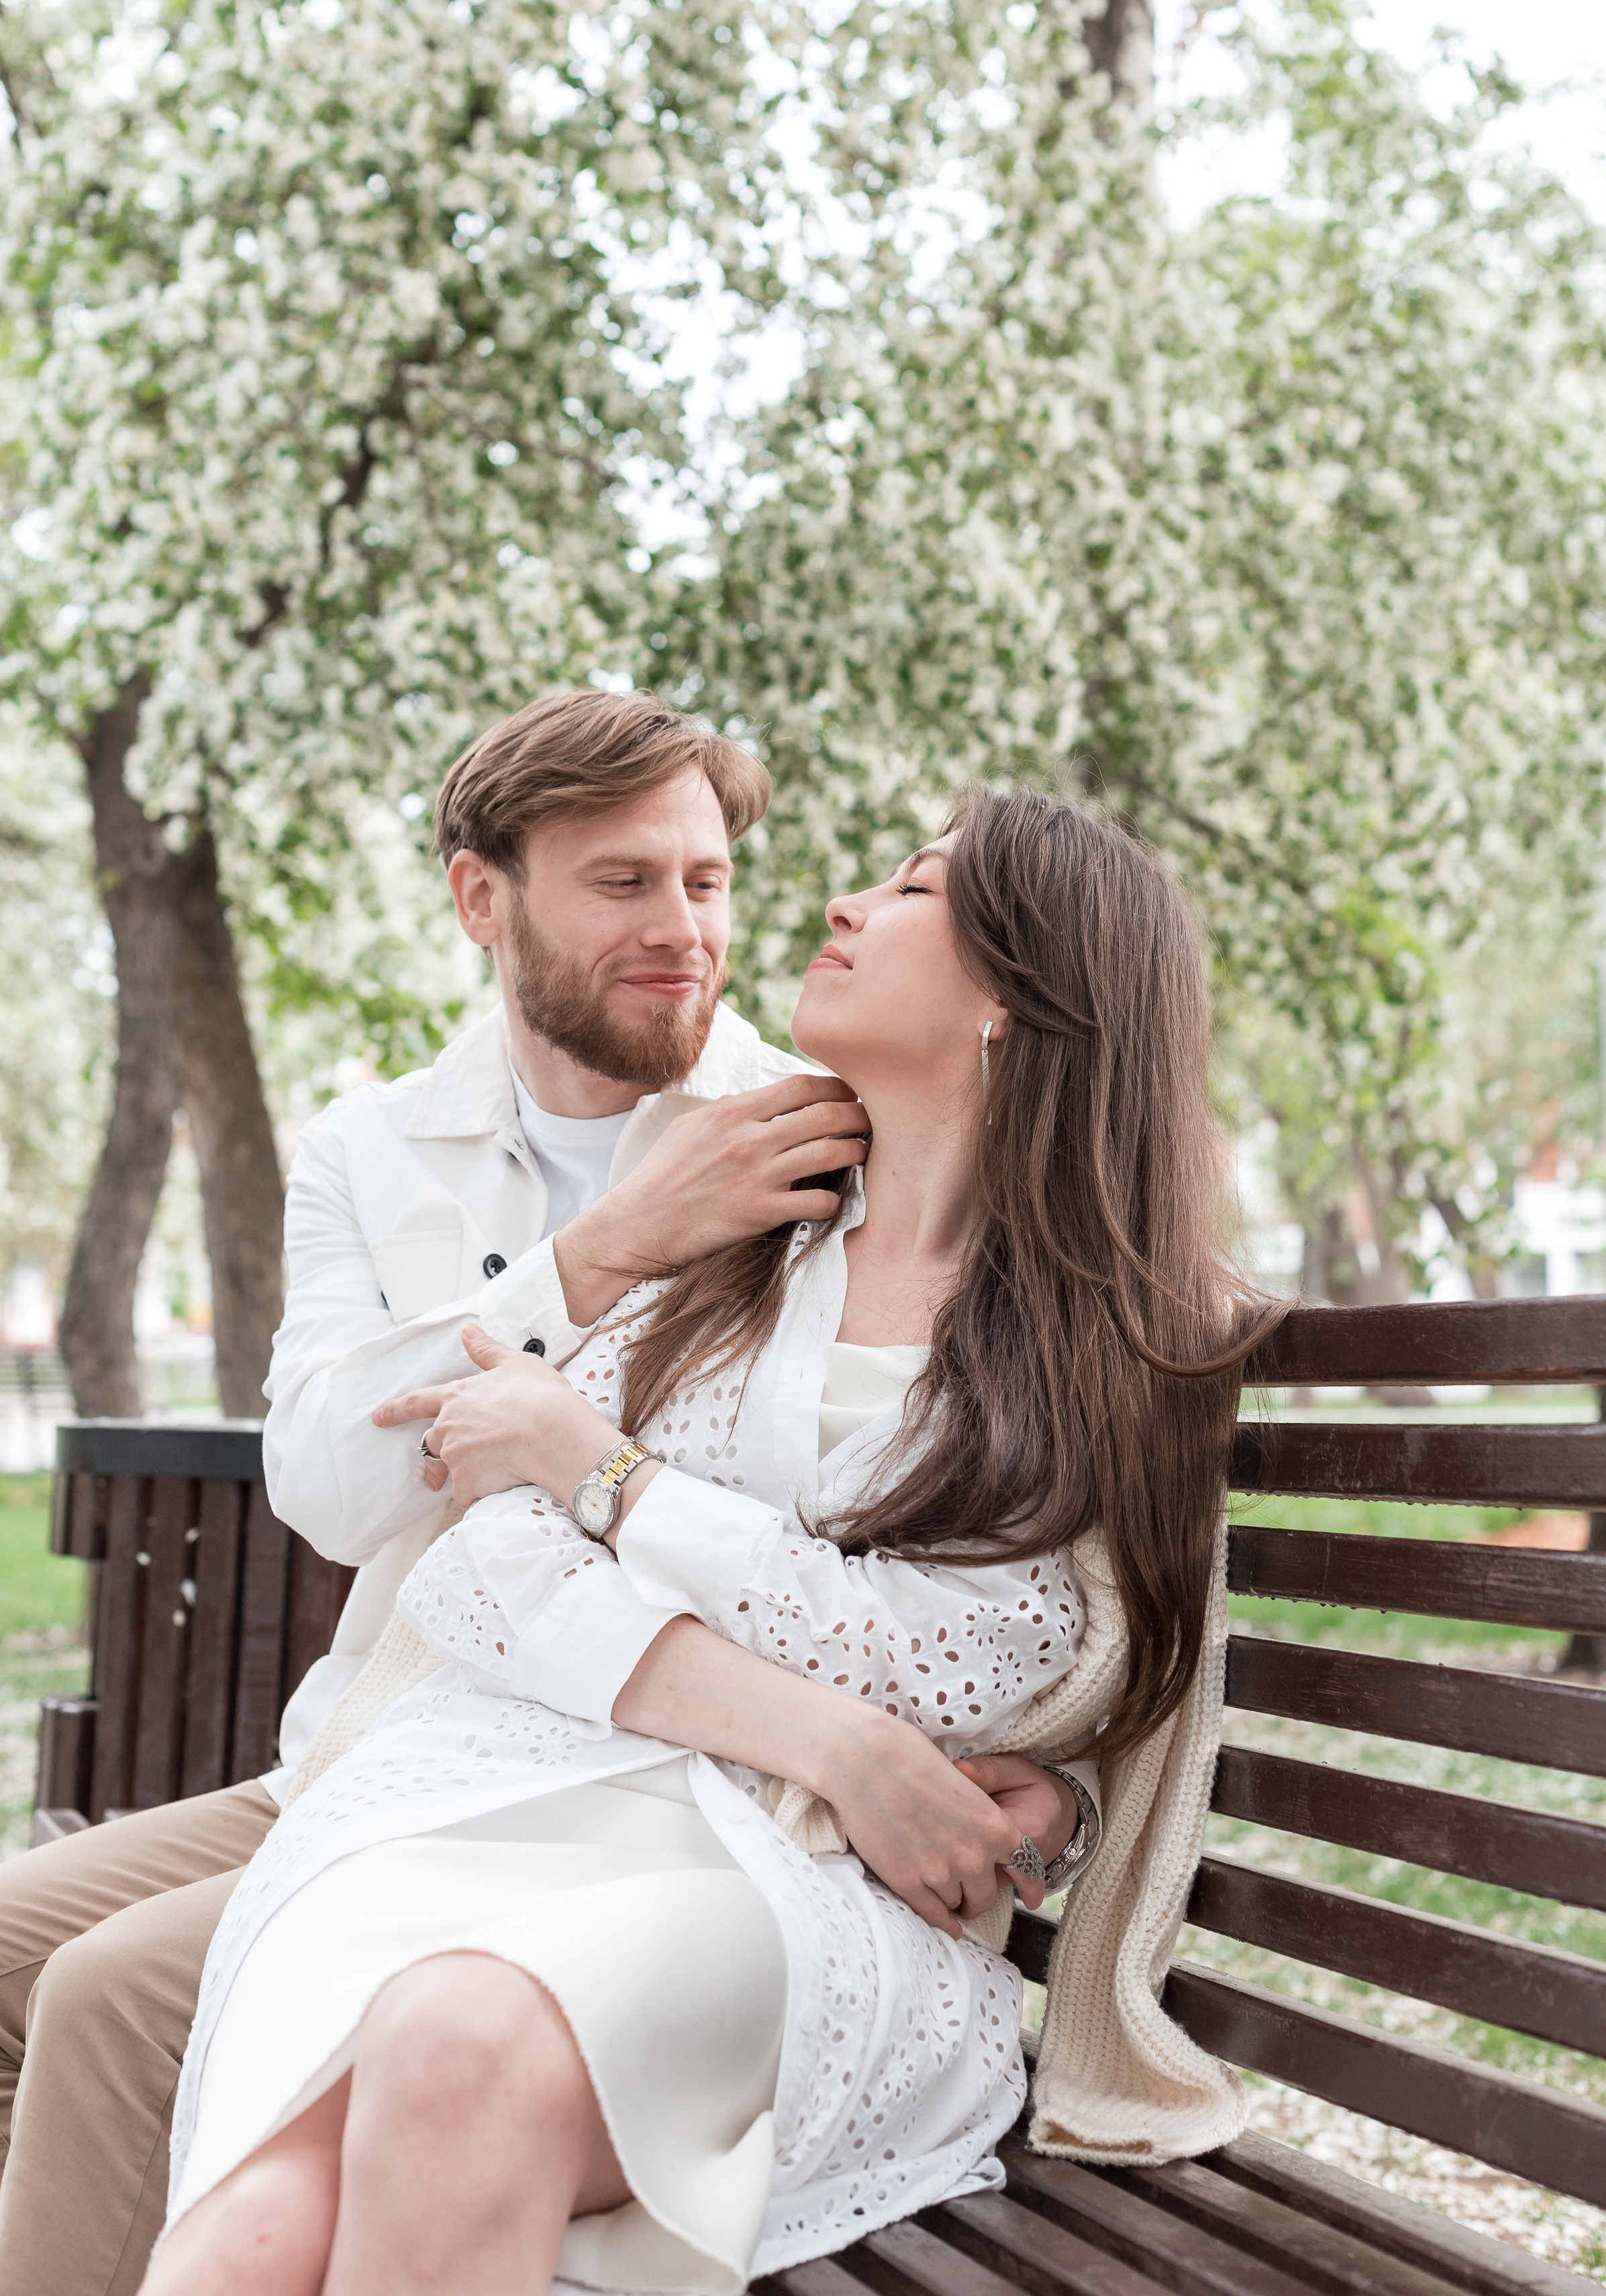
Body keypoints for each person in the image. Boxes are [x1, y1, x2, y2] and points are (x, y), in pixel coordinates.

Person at [142, 786, 1278, 2296]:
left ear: (1016, 992)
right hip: (518, 1804)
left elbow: (983, 1670)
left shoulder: (1115, 1333)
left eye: (914, 891)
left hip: (808, 1890)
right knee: (255, 2225)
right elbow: (485, 1565)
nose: (843, 907)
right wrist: (835, 1735)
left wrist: (607, 1480)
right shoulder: (752, 1248)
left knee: (456, 2036)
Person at [0, 690, 1063, 2296]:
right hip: (378, 1739)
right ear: (481, 899)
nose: (683, 930)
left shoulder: (822, 1133)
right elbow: (337, 1493)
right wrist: (600, 1253)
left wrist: (1043, 1775)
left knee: (103, 2000)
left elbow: (1013, 1524)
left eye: (705, 881)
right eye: (623, 883)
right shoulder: (377, 1148)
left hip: (625, 1786)